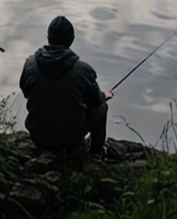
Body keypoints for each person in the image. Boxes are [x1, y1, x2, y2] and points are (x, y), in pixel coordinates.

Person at [19, 15, 114, 154]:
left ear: (48, 38)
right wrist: (105, 96)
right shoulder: (83, 70)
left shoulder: (30, 64)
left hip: (38, 136)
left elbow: (26, 92)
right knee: (102, 106)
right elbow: (95, 101)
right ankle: (96, 152)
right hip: (71, 139)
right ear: (71, 40)